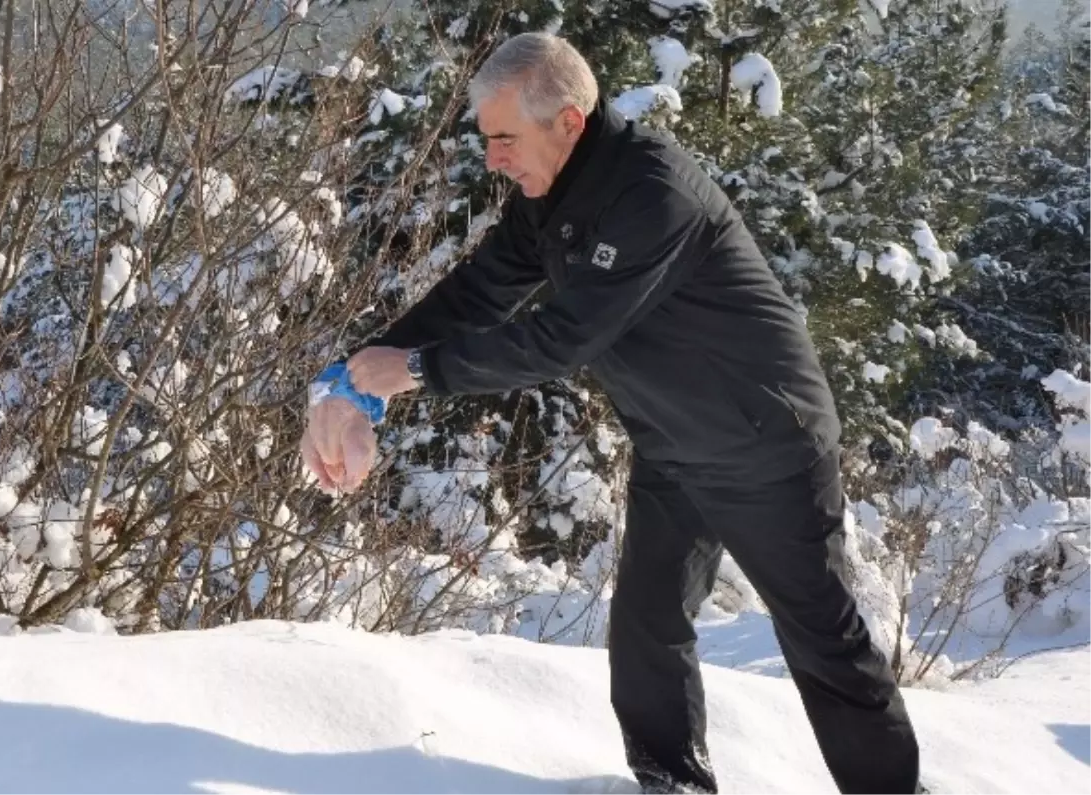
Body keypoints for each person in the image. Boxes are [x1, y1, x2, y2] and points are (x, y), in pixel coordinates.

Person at [311, 31, 923, 795]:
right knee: (647, 631)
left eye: (505, 138)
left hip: (764, 443)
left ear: (567, 121)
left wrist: (414, 371)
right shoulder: (552, 195)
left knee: (823, 646)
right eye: (488, 139)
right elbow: (476, 294)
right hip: (673, 441)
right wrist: (350, 384)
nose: (493, 158)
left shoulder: (651, 190)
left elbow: (564, 338)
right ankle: (670, 783)